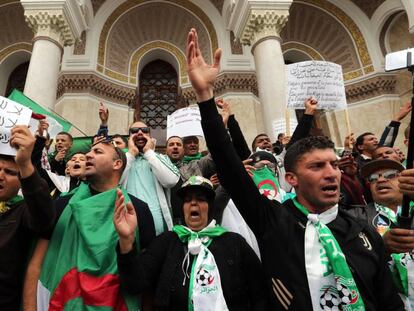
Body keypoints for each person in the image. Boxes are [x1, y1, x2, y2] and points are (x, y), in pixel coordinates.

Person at [186, 28, 403, 310]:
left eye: (334, 165)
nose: (331, 173)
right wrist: (205, 97)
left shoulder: (363, 231)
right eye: (317, 166)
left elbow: (388, 301)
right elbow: (229, 165)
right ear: (290, 179)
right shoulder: (272, 221)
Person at [24, 140, 155, 310]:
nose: (87, 155)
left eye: (98, 152)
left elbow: (145, 279)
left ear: (117, 164)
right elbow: (36, 264)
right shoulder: (62, 205)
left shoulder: (137, 210)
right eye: (89, 152)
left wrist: (126, 243)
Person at [115, 176, 268, 310]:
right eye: (187, 200)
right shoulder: (166, 242)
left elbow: (260, 293)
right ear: (182, 208)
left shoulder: (235, 243)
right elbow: (134, 284)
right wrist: (126, 242)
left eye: (201, 199)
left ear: (210, 207)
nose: (193, 203)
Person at [0, 125, 55, 310]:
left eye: (9, 172)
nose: (0, 176)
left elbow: (44, 219)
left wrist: (25, 164)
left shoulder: (23, 210)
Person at [122, 121, 180, 234]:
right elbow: (113, 182)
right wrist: (131, 154)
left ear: (150, 137)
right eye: (134, 131)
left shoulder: (159, 158)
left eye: (144, 131)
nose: (139, 133)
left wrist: (149, 152)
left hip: (158, 232)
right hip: (128, 230)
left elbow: (171, 181)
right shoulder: (122, 159)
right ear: (129, 138)